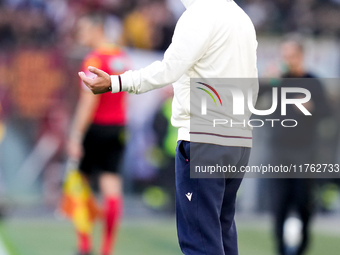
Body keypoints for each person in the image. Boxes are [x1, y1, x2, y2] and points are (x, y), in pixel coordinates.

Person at [79, 0, 258, 254]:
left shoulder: (199, 15)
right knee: (223, 231)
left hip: (204, 138)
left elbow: (169, 69)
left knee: (200, 240)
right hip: (238, 139)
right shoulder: (241, 18)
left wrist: (116, 82)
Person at [68, 13, 129, 255]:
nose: (80, 35)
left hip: (95, 127)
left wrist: (75, 135)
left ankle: (84, 244)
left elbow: (87, 101)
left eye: (83, 30)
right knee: (111, 184)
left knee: (80, 185)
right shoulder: (122, 58)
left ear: (98, 29)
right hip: (118, 128)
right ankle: (107, 249)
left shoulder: (93, 60)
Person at [269, 38, 331, 255]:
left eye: (291, 55)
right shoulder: (278, 80)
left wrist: (310, 106)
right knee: (279, 204)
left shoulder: (312, 82)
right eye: (284, 55)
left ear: (300, 56)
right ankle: (280, 249)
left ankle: (301, 248)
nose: (287, 60)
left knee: (303, 202)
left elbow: (326, 111)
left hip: (305, 151)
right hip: (279, 151)